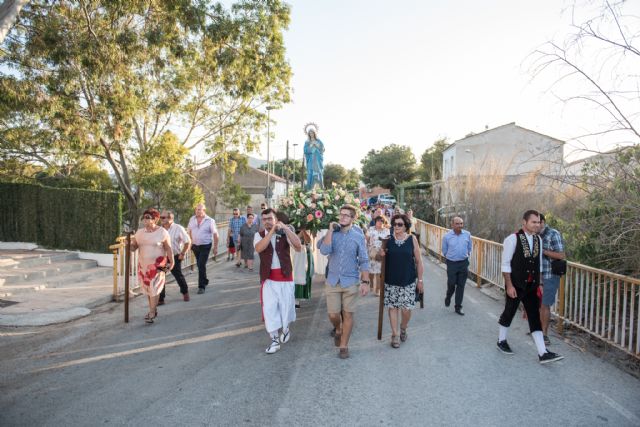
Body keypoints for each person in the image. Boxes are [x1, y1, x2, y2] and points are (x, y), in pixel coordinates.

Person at [497, 209, 564, 364]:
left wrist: (539, 283)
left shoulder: (538, 240)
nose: (537, 224)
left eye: (539, 222)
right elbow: (506, 264)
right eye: (533, 222)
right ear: (524, 222)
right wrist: (509, 285)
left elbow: (538, 264)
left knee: (534, 316)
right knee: (509, 311)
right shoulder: (512, 239)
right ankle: (501, 340)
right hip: (516, 284)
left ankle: (542, 352)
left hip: (532, 285)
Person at [318, 204, 370, 359]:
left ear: (353, 218)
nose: (342, 217)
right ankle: (338, 328)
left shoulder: (358, 235)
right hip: (333, 280)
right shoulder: (332, 232)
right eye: (341, 214)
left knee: (348, 314)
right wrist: (329, 230)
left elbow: (364, 259)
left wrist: (365, 282)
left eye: (346, 215)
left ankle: (344, 345)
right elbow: (324, 250)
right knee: (333, 314)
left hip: (351, 281)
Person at [254, 208, 302, 354]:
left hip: (285, 278)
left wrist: (286, 228)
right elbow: (259, 248)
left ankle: (286, 328)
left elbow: (298, 247)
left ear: (276, 219)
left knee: (285, 309)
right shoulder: (259, 235)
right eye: (265, 219)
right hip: (268, 279)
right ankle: (274, 339)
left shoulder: (284, 232)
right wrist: (271, 231)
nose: (267, 221)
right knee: (269, 309)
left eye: (270, 218)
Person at [381, 214, 424, 348]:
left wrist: (420, 280)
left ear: (406, 226)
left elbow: (419, 261)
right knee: (393, 308)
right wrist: (380, 253)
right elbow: (377, 256)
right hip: (391, 281)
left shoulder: (412, 239)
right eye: (394, 224)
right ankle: (395, 334)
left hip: (408, 280)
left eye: (400, 224)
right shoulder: (388, 240)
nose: (396, 226)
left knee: (406, 309)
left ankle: (403, 327)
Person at [130, 208, 174, 323]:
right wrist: (129, 245)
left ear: (155, 219)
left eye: (148, 217)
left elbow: (168, 248)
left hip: (160, 265)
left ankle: (151, 312)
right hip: (144, 266)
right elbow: (134, 247)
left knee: (155, 287)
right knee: (149, 289)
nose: (145, 219)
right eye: (144, 217)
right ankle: (153, 310)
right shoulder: (140, 233)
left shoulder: (163, 232)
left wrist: (172, 262)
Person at [539, 213, 566, 345]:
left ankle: (544, 334)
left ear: (543, 222)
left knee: (545, 305)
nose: (535, 224)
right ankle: (537, 330)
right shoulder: (534, 235)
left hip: (549, 275)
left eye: (537, 222)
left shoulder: (553, 233)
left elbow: (561, 255)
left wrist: (542, 251)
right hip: (537, 275)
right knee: (537, 304)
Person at [442, 216, 472, 315]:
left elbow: (469, 248)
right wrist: (451, 258)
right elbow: (444, 251)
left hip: (463, 263)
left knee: (461, 286)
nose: (460, 225)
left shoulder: (467, 235)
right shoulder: (447, 236)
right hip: (452, 264)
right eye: (457, 224)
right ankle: (448, 296)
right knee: (451, 284)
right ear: (452, 225)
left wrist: (466, 255)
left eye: (461, 223)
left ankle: (458, 307)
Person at [159, 210, 192, 303]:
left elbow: (187, 242)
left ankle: (185, 292)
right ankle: (161, 299)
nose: (161, 219)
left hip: (175, 257)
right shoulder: (159, 229)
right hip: (163, 258)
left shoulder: (178, 228)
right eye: (161, 217)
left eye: (163, 217)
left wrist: (182, 253)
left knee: (178, 276)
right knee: (161, 276)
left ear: (171, 219)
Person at [187, 203, 219, 294]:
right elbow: (189, 231)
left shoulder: (210, 221)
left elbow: (216, 234)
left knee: (201, 264)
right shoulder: (192, 219)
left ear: (204, 211)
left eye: (199, 209)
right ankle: (204, 280)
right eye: (196, 209)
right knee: (200, 264)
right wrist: (190, 242)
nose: (197, 211)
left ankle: (201, 286)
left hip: (205, 245)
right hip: (195, 245)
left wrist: (215, 247)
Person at [367, 215, 390, 296]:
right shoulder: (371, 229)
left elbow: (388, 242)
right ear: (375, 222)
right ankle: (371, 285)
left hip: (381, 253)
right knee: (371, 272)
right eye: (378, 221)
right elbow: (367, 239)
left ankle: (378, 290)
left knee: (379, 272)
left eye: (381, 221)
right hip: (372, 252)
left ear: (384, 222)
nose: (380, 222)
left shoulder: (387, 231)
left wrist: (384, 250)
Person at [294, 229, 314, 306]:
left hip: (303, 256)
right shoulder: (290, 230)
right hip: (293, 255)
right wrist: (300, 233)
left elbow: (308, 243)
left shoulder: (307, 231)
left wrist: (304, 232)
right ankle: (293, 300)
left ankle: (297, 300)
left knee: (301, 277)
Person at [303, 125, 325, 190]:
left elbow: (322, 149)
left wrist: (316, 145)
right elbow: (305, 150)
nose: (311, 134)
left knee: (318, 173)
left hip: (317, 160)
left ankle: (320, 189)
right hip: (310, 160)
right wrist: (311, 146)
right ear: (308, 134)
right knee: (310, 173)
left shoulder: (318, 140)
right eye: (310, 133)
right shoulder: (307, 142)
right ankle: (310, 189)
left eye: (312, 133)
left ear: (314, 133)